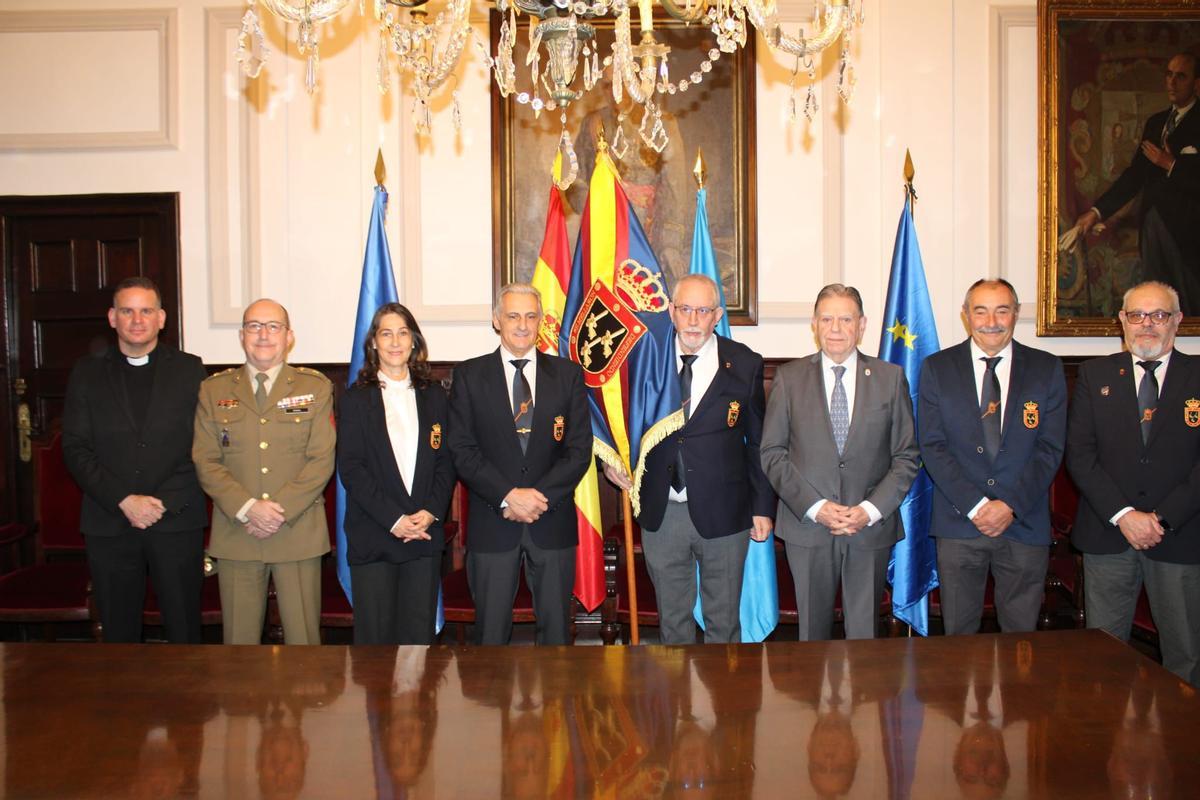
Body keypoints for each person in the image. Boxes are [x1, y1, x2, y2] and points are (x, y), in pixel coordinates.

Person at [603, 273, 774, 644]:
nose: (693, 320)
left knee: (724, 622)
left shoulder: (744, 363)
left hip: (725, 513)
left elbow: (757, 442)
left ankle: (722, 702)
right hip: (662, 511)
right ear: (671, 312)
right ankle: (676, 702)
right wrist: (613, 461)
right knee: (673, 625)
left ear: (717, 315)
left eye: (703, 310)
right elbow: (622, 421)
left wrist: (762, 507)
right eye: (685, 309)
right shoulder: (644, 360)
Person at [761, 283, 919, 640]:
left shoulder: (890, 379)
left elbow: (906, 456)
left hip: (869, 529)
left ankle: (863, 699)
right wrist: (816, 507)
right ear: (814, 324)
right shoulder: (789, 379)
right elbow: (772, 453)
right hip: (809, 527)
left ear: (861, 325)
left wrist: (869, 509)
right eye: (827, 319)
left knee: (864, 638)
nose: (835, 329)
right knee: (811, 637)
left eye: (845, 319)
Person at [1067, 280, 1200, 685]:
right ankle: (1109, 744)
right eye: (1137, 315)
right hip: (1109, 534)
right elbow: (1080, 455)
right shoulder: (1095, 375)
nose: (1148, 324)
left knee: (1187, 658)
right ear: (1122, 321)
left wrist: (1160, 517)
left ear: (1177, 321)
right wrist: (1125, 515)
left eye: (1159, 315)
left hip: (1179, 536)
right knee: (1104, 655)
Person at [62, 276, 209, 643]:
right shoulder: (86, 373)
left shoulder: (191, 369)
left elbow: (205, 445)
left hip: (174, 518)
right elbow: (76, 447)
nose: (137, 319)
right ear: (113, 317)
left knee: (184, 630)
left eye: (146, 311)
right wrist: (124, 500)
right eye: (127, 311)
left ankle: (188, 702)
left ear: (162, 318)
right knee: (118, 634)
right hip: (109, 520)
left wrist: (161, 503)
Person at [918, 278, 1067, 635]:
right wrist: (976, 506)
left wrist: (1008, 504)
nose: (992, 321)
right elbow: (932, 445)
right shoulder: (937, 368)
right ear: (966, 315)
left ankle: (1016, 696)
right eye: (981, 310)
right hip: (959, 521)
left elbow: (1050, 448)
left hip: (1023, 521)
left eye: (1002, 310)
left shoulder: (1046, 368)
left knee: (1021, 642)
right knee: (959, 635)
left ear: (1016, 314)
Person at [447, 283, 591, 645]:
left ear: (541, 321)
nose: (522, 325)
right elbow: (462, 450)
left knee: (557, 634)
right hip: (494, 524)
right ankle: (495, 703)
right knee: (491, 635)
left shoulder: (568, 375)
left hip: (551, 520)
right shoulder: (469, 376)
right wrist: (508, 495)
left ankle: (556, 703)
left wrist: (536, 497)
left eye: (530, 316)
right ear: (497, 320)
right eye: (513, 316)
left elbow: (578, 450)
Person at [193, 298, 335, 645]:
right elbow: (205, 459)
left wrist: (276, 511)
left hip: (296, 532)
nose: (264, 335)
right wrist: (248, 508)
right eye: (255, 326)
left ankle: (301, 704)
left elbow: (321, 459)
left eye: (274, 326)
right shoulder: (214, 390)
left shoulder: (314, 387)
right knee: (239, 649)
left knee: (304, 647)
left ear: (289, 336)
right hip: (237, 532)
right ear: (242, 335)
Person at [336, 302, 455, 645]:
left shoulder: (434, 396)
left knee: (417, 648)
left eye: (403, 333)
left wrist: (430, 513)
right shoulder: (356, 400)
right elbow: (352, 469)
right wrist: (394, 519)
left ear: (414, 341)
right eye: (386, 333)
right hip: (375, 536)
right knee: (376, 651)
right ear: (373, 342)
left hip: (422, 535)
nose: (395, 341)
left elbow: (446, 461)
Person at [1070, 53, 1200, 313]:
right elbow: (1134, 176)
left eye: (1181, 76)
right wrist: (1096, 212)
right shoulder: (1155, 123)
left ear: (1197, 83)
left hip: (1190, 237)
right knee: (1159, 305)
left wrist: (1171, 164)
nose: (1172, 82)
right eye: (1169, 74)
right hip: (1153, 227)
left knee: (1191, 305)